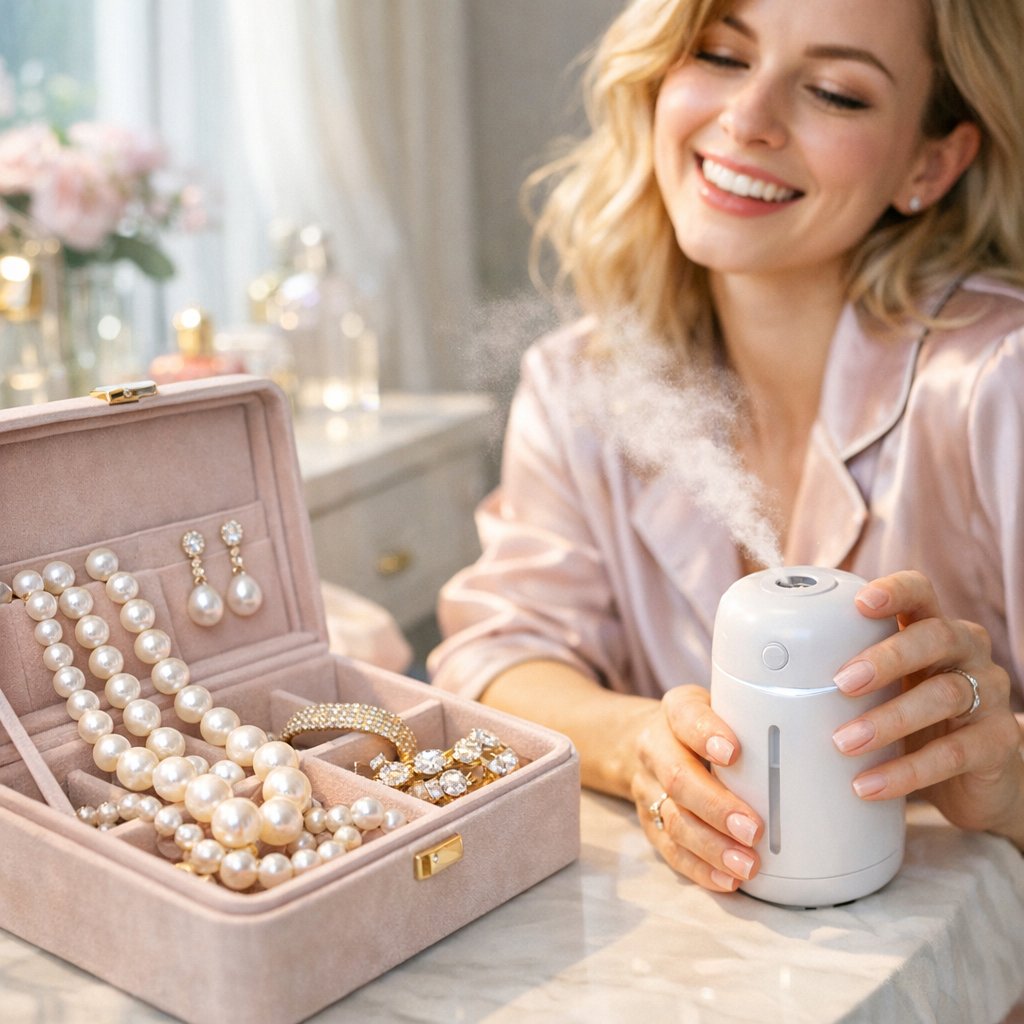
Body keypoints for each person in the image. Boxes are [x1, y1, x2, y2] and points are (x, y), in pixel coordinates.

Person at [428, 0, 1024, 893]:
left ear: (931, 164)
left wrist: (1011, 787)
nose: (748, 120)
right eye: (718, 54)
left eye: (833, 92)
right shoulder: (581, 383)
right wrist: (638, 746)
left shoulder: (997, 385)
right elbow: (498, 656)